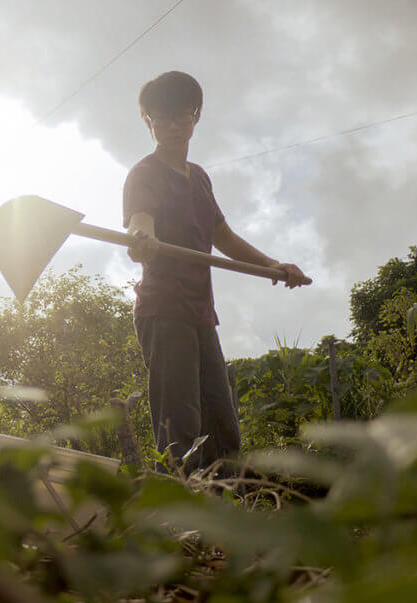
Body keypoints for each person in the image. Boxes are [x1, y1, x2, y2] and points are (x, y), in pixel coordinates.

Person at [123, 71, 310, 473]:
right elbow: (140, 222)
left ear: (196, 117)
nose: (173, 126)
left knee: (222, 426)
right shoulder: (145, 174)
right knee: (181, 428)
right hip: (164, 311)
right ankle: (180, 527)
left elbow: (222, 235)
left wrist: (271, 265)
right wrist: (142, 239)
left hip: (201, 313)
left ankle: (226, 520)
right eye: (161, 118)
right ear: (148, 122)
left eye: (182, 116)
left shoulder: (200, 178)